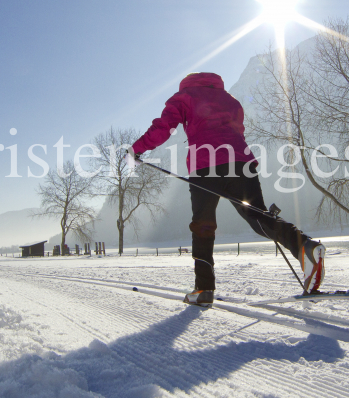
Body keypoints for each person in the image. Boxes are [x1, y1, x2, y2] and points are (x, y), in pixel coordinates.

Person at [127, 72, 325, 306]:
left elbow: (164, 127)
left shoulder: (185, 95)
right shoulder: (230, 100)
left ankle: (204, 289)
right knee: (258, 216)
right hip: (241, 163)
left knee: (203, 226)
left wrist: (136, 150)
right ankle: (305, 246)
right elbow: (237, 130)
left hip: (205, 167)